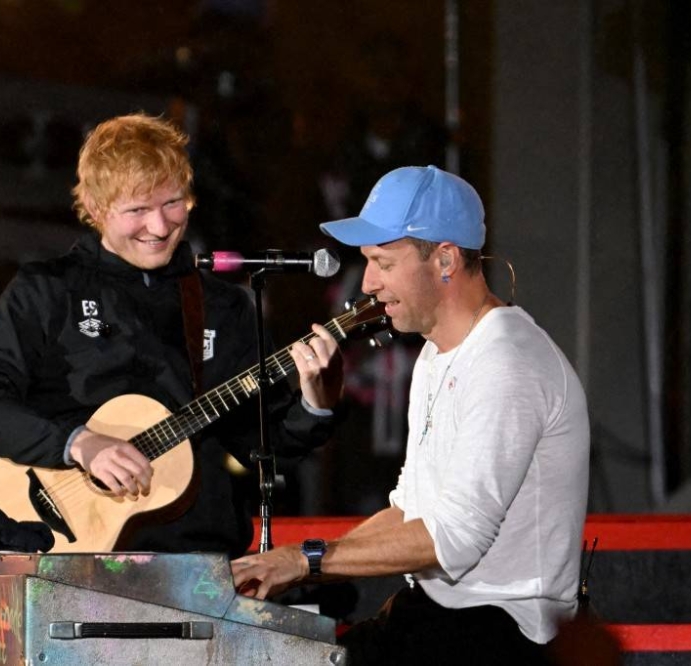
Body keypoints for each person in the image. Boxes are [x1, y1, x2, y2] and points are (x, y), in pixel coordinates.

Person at [231, 165, 590, 664]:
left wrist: (303, 561)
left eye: (384, 262)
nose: (370, 283)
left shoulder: (507, 361)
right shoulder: (436, 353)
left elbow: (452, 541)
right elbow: (409, 512)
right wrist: (294, 562)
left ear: (444, 259)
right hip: (441, 615)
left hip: (506, 635)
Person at [0, 113, 344, 557]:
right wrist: (78, 443)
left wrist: (316, 403)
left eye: (172, 204)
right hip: (64, 552)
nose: (159, 228)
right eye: (137, 210)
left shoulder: (224, 306)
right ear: (97, 210)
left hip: (194, 556)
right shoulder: (47, 290)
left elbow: (265, 444)